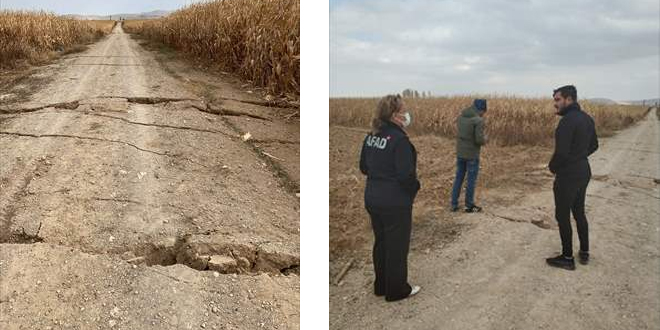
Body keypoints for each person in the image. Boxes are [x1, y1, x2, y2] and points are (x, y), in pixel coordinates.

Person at [359, 94, 421, 302]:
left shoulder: (372, 136)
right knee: (397, 246)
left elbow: (364, 167)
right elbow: (406, 176)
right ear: (395, 115)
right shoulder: (400, 141)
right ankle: (396, 290)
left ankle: (381, 285)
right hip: (395, 202)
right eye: (404, 111)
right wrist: (414, 188)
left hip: (373, 199)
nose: (406, 114)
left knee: (382, 242)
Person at [546, 85, 598, 270]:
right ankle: (584, 252)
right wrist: (579, 156)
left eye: (558, 100)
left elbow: (561, 153)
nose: (555, 104)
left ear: (569, 99)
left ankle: (567, 258)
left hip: (568, 174)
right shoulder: (587, 119)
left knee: (562, 214)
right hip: (584, 171)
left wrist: (553, 167)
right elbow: (594, 146)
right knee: (579, 212)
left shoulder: (567, 121)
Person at [450, 99, 487, 213]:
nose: (483, 114)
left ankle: (453, 204)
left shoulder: (461, 117)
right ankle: (469, 205)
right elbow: (479, 139)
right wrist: (485, 139)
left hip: (460, 153)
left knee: (459, 178)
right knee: (471, 180)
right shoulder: (478, 121)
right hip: (472, 155)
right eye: (484, 111)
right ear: (481, 110)